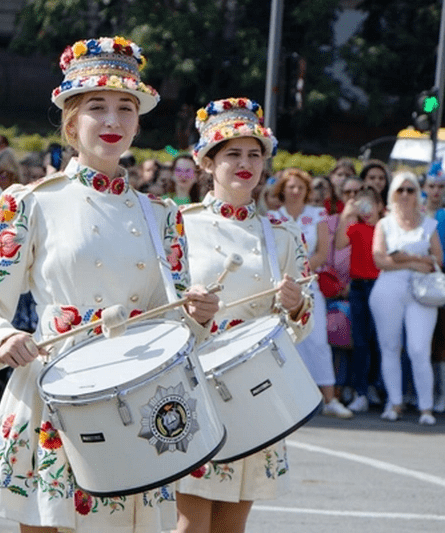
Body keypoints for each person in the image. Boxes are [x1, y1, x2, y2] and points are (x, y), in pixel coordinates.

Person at [0, 36, 218, 533]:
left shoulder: (162, 216)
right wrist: (4, 336)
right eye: (98, 107)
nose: (114, 122)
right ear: (72, 121)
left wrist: (197, 316)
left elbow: (175, 324)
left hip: (134, 393)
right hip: (56, 390)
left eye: (127, 108)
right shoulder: (28, 202)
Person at [177, 97, 313, 533]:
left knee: (232, 526)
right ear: (206, 163)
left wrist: (295, 306)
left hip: (256, 389)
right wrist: (192, 314)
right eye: (232, 153)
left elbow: (301, 326)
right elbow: (155, 310)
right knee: (190, 524)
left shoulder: (282, 236)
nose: (245, 163)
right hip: (197, 385)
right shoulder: (178, 224)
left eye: (254, 153)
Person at [271, 168, 353, 418]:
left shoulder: (317, 215)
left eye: (300, 187)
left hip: (309, 284)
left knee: (317, 341)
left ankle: (329, 398)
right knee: (286, 344)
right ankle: (291, 400)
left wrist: (301, 273)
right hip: (281, 287)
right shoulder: (273, 216)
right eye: (290, 186)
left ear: (307, 191)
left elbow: (321, 252)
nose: (295, 191)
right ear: (282, 189)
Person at [369, 171, 442, 425]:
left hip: (422, 292)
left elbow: (437, 260)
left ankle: (426, 408)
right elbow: (379, 259)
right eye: (400, 190)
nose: (405, 195)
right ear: (393, 194)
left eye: (410, 190)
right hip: (388, 288)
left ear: (417, 194)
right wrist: (414, 261)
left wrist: (401, 257)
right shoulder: (384, 224)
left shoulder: (429, 224)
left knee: (419, 349)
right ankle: (395, 403)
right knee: (389, 348)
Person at [335, 185, 383, 413]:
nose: (366, 210)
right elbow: (340, 243)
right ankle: (360, 391)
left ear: (379, 206)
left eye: (369, 205)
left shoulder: (385, 228)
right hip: (358, 287)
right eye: (361, 205)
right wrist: (348, 213)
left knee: (377, 341)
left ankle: (373, 385)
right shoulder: (356, 227)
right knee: (360, 341)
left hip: (380, 286)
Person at [424, 160, 445, 412]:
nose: (437, 191)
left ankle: (441, 393)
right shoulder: (416, 213)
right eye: (432, 186)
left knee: (441, 339)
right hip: (417, 276)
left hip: (439, 278)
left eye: (441, 186)